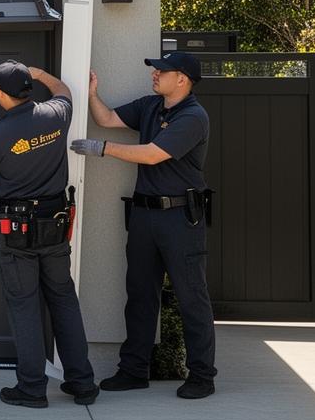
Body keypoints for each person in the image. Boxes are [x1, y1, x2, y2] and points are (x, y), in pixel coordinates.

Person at [72, 50, 216, 399]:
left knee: (190, 296)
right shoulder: (151, 107)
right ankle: (134, 370)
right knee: (139, 295)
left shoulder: (193, 116)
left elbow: (152, 153)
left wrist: (101, 149)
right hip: (144, 216)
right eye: (155, 69)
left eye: (162, 70)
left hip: (180, 218)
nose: (155, 74)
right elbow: (106, 118)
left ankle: (201, 376)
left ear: (181, 79)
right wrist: (91, 94)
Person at [0, 60, 98, 408]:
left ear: (2, 94)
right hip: (54, 224)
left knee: (24, 305)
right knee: (63, 299)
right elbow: (64, 92)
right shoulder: (55, 115)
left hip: (16, 231)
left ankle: (32, 388)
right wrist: (41, 74)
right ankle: (82, 383)